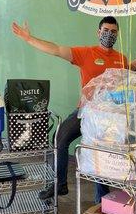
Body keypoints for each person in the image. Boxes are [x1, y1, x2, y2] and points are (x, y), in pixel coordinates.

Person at [11, 16, 127, 202]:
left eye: (113, 32)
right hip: (85, 112)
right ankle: (60, 184)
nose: (109, 35)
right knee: (60, 137)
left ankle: (103, 201)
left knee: (100, 154)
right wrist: (29, 39)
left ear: (117, 34)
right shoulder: (86, 53)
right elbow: (56, 49)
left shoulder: (122, 59)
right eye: (105, 31)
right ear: (98, 32)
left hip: (107, 118)